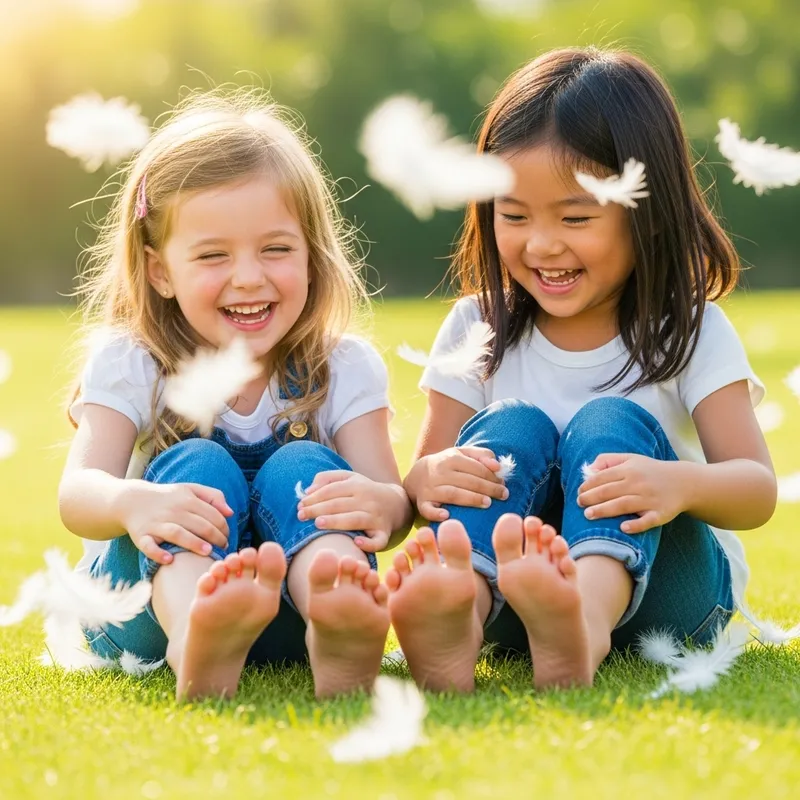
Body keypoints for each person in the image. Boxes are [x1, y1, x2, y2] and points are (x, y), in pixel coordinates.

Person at [389, 47, 777, 692]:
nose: (541, 244)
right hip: (512, 590)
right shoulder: (476, 326)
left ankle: (585, 621)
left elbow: (756, 489)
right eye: (512, 216)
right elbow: (420, 487)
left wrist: (677, 484)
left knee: (609, 422)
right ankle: (461, 617)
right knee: (509, 429)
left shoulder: (688, 327)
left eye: (575, 217)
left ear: (645, 213)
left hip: (669, 599)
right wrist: (428, 476)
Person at [58, 89, 412, 701]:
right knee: (198, 464)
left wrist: (380, 505)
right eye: (213, 255)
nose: (248, 276)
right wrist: (133, 503)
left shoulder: (342, 367)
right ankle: (198, 629)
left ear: (311, 256)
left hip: (286, 617)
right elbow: (77, 493)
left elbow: (392, 501)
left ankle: (339, 621)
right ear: (160, 271)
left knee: (306, 467)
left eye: (276, 249)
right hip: (144, 611)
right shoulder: (133, 363)